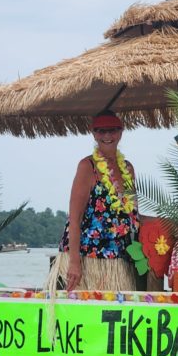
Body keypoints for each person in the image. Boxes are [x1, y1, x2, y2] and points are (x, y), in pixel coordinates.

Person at [52, 111, 141, 291]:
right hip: (87, 259)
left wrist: (167, 222)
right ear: (94, 134)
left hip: (118, 258)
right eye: (101, 131)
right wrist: (75, 263)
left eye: (112, 131)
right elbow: (74, 219)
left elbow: (133, 214)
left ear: (121, 132)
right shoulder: (87, 167)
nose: (107, 136)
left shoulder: (128, 168)